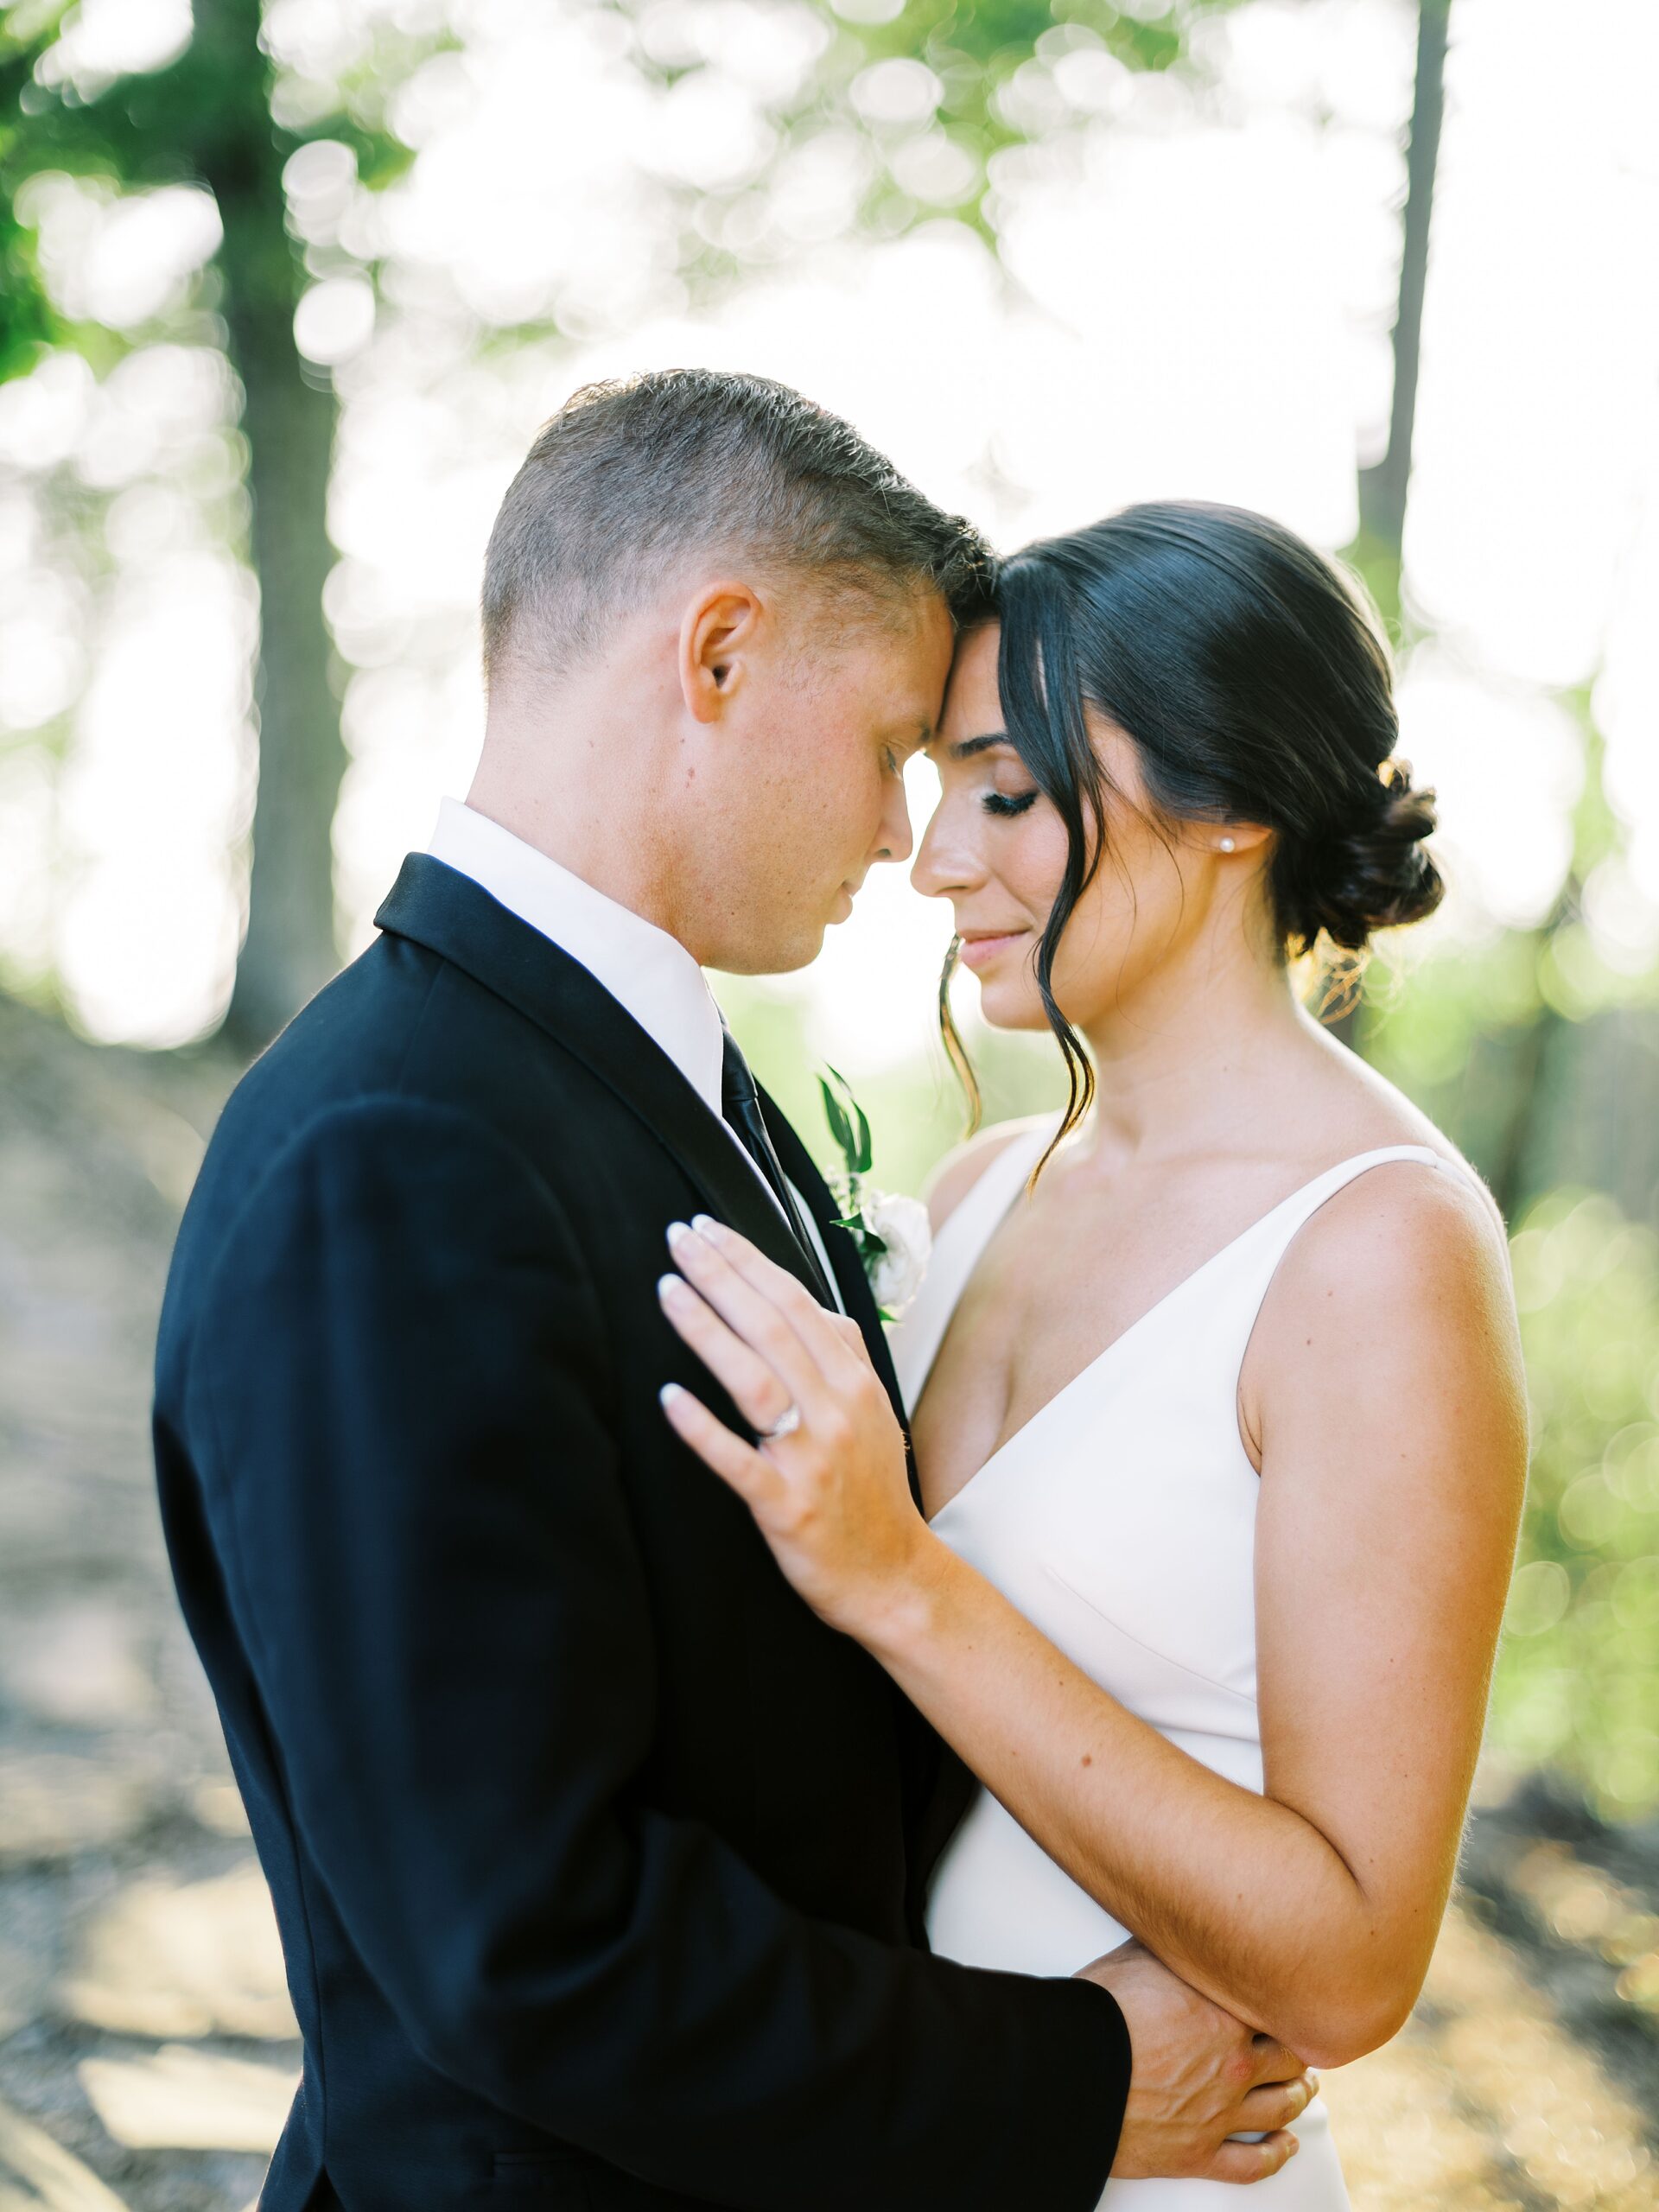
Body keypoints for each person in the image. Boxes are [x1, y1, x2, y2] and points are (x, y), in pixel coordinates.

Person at [153, 388, 1313, 2211]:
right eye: (883, 749)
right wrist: (1079, 2077)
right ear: (716, 655)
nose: (903, 836)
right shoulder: (389, 1150)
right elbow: (525, 1939)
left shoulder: (646, 1073)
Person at [655, 502, 1531, 2208]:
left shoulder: (1378, 1251)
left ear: (1236, 804)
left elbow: (1353, 1962)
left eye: (1008, 789)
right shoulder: (985, 1189)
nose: (932, 859)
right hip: (933, 2136)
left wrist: (902, 1577)